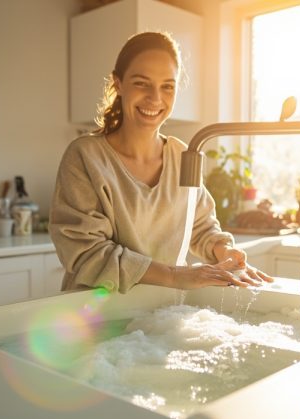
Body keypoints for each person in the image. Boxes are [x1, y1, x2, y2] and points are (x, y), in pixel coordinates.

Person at [50, 31, 272, 293]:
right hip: (94, 316)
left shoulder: (182, 156)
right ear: (118, 84)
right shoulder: (85, 156)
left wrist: (224, 251)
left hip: (160, 315)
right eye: (142, 83)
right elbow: (86, 252)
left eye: (167, 86)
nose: (155, 98)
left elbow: (199, 225)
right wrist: (175, 276)